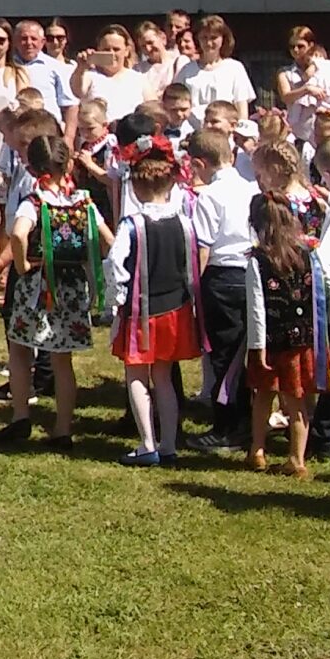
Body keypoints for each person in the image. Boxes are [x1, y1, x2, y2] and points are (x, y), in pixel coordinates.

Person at [0, 130, 101, 447]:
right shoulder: (82, 202)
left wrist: (22, 265)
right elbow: (105, 240)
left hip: (38, 285)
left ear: (30, 169)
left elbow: (17, 234)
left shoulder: (34, 202)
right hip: (71, 286)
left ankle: (20, 417)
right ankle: (63, 428)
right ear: (68, 166)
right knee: (61, 359)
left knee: (20, 349)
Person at [105, 132, 200, 467]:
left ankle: (147, 443)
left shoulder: (133, 225)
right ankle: (170, 443)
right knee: (164, 378)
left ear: (135, 187)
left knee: (136, 376)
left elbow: (116, 266)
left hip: (141, 312)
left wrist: (114, 302)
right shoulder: (186, 223)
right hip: (174, 309)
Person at [244, 200, 330, 477]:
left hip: (270, 342)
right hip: (303, 340)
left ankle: (257, 450)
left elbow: (256, 308)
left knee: (263, 396)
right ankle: (296, 458)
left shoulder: (256, 261)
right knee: (296, 401)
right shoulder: (310, 255)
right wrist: (323, 321)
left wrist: (256, 347)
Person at [185, 130, 257, 455]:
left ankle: (228, 427)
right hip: (251, 273)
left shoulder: (209, 196)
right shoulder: (251, 187)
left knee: (224, 355)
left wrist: (194, 290)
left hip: (222, 275)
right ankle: (248, 417)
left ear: (199, 163)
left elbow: (202, 247)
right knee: (246, 350)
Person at [276, 26, 330, 148]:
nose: (296, 50)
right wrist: (306, 89)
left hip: (326, 126)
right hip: (300, 132)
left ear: (310, 45)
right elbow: (286, 97)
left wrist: (316, 66)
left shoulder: (325, 66)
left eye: (300, 46)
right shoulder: (285, 72)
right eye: (292, 47)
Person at [74, 24, 152, 124]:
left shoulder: (139, 79)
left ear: (126, 51)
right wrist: (81, 67)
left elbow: (153, 109)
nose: (112, 53)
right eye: (106, 49)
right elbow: (77, 91)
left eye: (116, 49)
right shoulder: (89, 76)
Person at [184, 16, 257, 112]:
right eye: (204, 37)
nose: (208, 43)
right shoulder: (187, 70)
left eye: (214, 38)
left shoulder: (234, 68)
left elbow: (241, 108)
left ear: (223, 39)